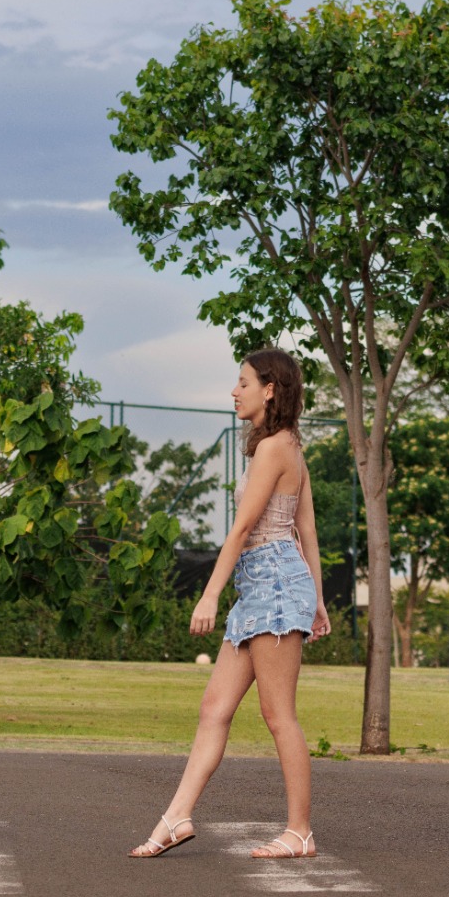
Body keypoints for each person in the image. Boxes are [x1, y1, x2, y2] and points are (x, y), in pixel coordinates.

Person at [129, 347, 331, 860]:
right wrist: (320, 600)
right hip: (268, 587)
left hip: (276, 586)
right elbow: (305, 528)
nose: (234, 391)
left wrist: (210, 593)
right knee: (214, 707)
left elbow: (244, 529)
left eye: (243, 382)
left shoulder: (275, 450)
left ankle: (300, 831)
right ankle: (176, 818)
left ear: (270, 389)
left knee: (278, 714)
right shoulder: (287, 447)